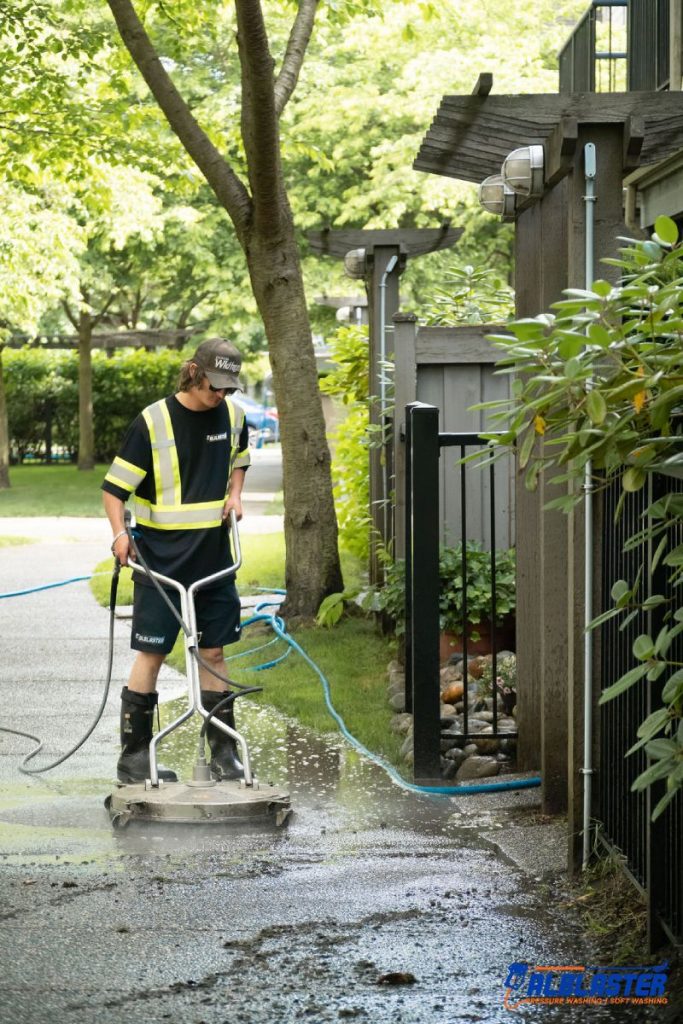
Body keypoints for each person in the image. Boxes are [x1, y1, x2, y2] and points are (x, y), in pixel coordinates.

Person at [102, 338, 250, 784]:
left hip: (213, 559)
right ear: (193, 372)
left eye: (228, 389)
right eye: (213, 387)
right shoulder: (153, 422)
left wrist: (235, 493)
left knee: (215, 652)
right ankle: (133, 759)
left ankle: (224, 753)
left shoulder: (235, 417)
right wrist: (120, 534)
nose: (220, 396)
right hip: (160, 561)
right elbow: (114, 490)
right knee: (152, 652)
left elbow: (239, 458)